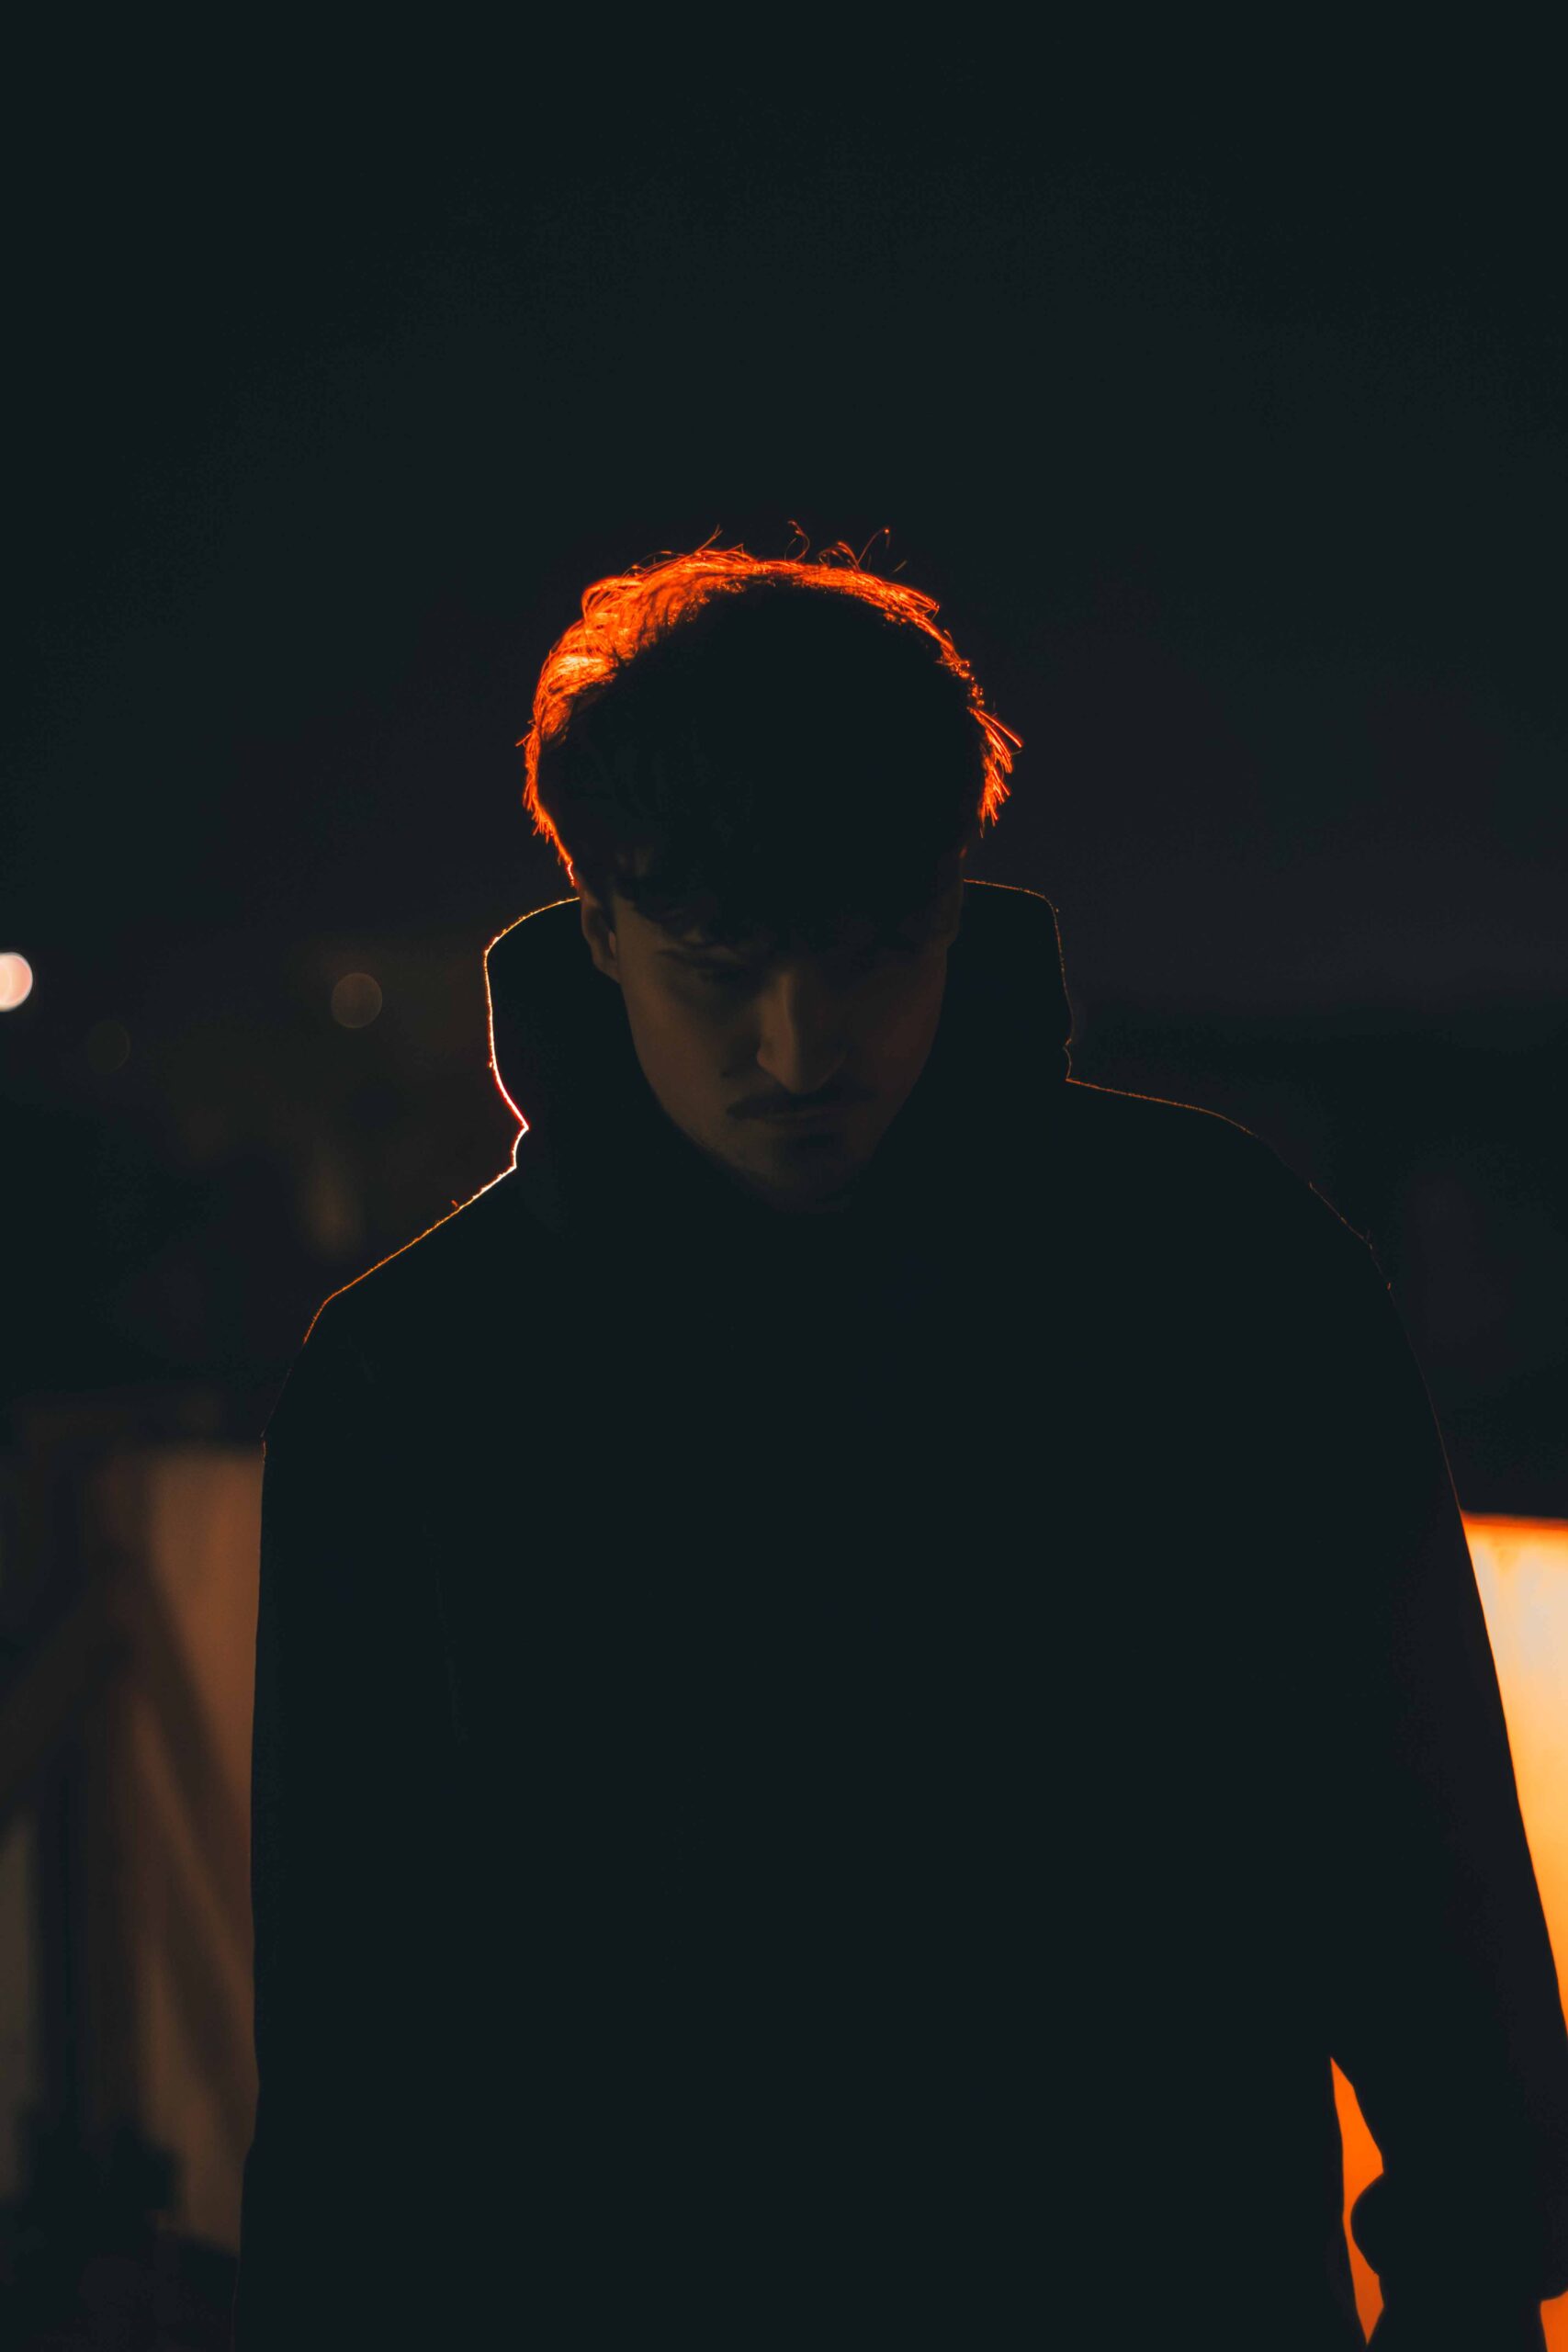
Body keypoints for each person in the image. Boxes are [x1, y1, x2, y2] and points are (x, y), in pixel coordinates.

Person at [233, 546, 1568, 2349]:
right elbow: (359, 2054)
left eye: (868, 954)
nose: (799, 1046)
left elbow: (1415, 1859)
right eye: (720, 966)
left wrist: (1474, 2279)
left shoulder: (1223, 1274)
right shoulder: (415, 1381)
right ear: (598, 924)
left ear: (953, 901)